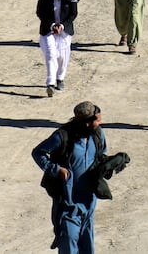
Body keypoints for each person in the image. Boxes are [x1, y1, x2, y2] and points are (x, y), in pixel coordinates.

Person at [32, 100, 118, 254]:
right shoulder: (62, 136)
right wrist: (56, 169)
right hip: (67, 200)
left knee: (86, 240)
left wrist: (107, 167)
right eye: (97, 120)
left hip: (89, 200)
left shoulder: (97, 134)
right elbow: (38, 152)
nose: (100, 123)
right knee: (69, 239)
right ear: (86, 123)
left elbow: (101, 155)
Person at [37, 0, 79, 97]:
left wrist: (62, 26)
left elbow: (73, 14)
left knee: (62, 56)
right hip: (48, 30)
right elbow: (40, 12)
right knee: (51, 54)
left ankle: (60, 78)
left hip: (64, 31)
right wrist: (52, 25)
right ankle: (50, 83)